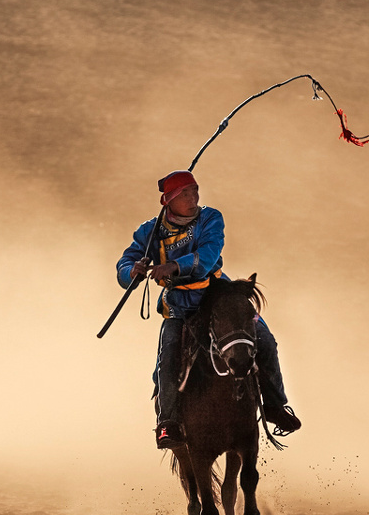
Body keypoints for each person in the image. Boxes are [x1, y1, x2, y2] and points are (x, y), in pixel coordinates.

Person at [116, 170, 302, 449]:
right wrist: (133, 270)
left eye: (195, 191)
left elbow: (208, 256)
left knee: (265, 340)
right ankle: (168, 423)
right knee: (168, 358)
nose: (194, 198)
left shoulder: (211, 218)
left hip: (217, 295)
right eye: (185, 194)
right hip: (178, 305)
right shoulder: (149, 231)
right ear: (169, 200)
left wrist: (174, 266)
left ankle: (275, 405)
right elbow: (125, 262)